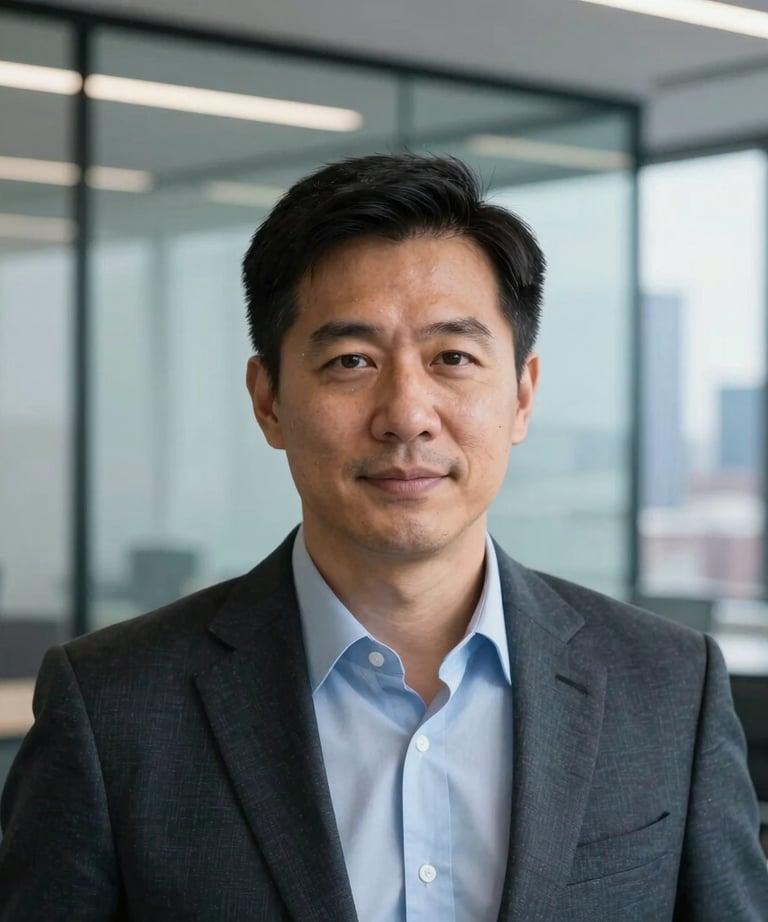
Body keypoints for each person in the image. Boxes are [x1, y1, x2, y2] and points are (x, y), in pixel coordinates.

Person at [0, 154, 766, 922]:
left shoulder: (668, 688)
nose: (406, 413)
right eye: (351, 361)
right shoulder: (113, 706)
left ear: (523, 395)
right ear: (268, 401)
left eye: (454, 358)